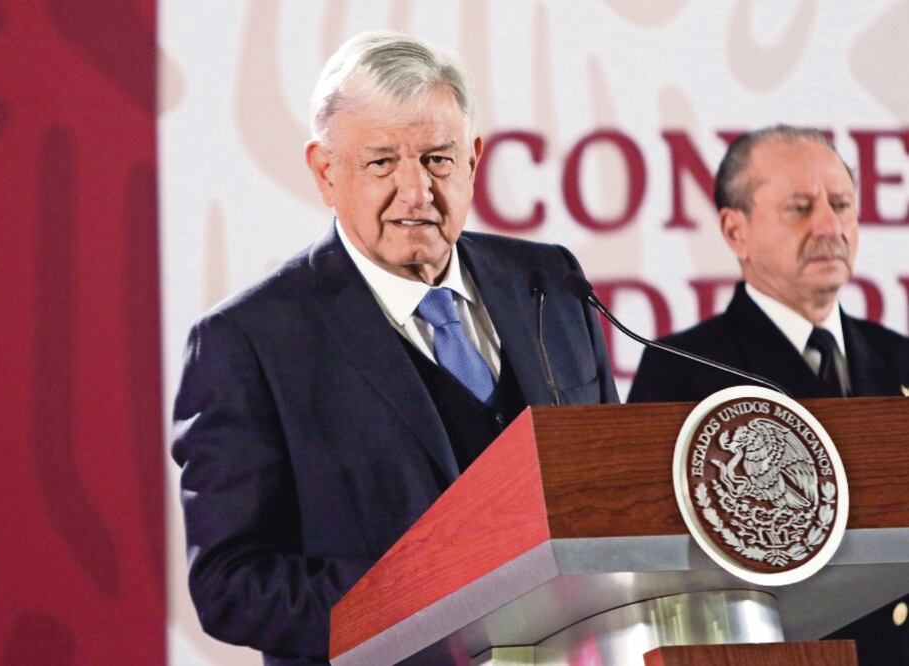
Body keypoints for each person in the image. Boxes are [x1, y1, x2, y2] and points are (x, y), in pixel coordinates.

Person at [172, 32, 617, 665]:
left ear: (473, 160)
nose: (416, 191)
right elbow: (232, 586)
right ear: (326, 172)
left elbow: (614, 499)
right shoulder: (249, 343)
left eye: (438, 159)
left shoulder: (550, 283)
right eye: (382, 162)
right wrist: (434, 597)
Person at [628, 125, 909, 665]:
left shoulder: (900, 359)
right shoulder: (682, 371)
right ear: (736, 231)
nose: (830, 226)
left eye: (842, 204)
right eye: (801, 208)